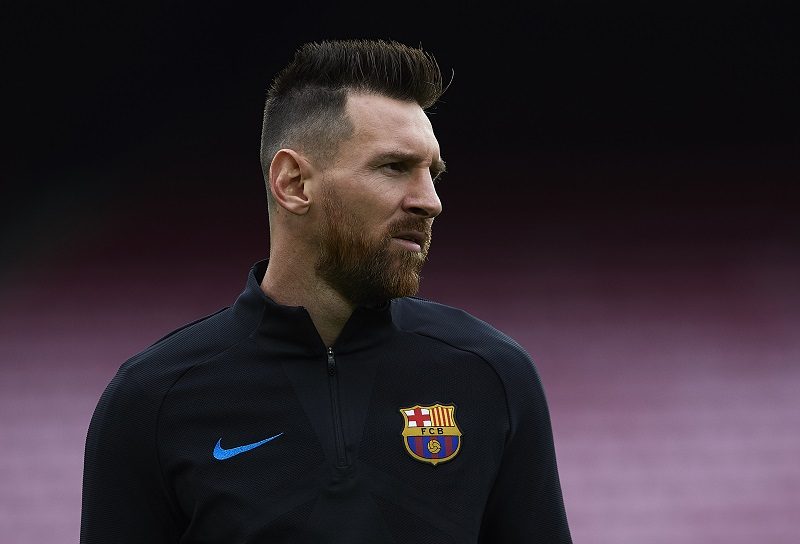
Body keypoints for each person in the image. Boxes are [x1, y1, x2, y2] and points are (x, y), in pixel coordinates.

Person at [80, 38, 573, 543]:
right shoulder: (153, 399)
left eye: (433, 174)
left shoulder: (492, 374)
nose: (430, 201)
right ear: (293, 183)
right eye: (395, 167)